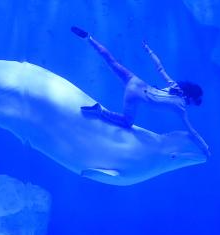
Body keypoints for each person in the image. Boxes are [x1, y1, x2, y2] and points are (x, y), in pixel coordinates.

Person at [71, 27, 209, 156]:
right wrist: (204, 147)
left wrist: (149, 50)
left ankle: (89, 39)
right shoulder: (181, 108)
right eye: (195, 102)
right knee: (126, 122)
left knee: (111, 61)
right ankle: (100, 111)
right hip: (135, 96)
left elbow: (160, 68)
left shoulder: (175, 86)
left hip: (135, 81)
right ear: (191, 98)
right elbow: (192, 131)